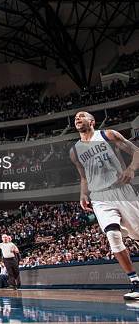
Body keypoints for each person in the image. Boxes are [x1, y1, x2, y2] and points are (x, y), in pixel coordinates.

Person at [70, 111, 139, 301]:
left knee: (137, 235)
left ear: (92, 121)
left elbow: (136, 152)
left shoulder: (108, 135)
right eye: (75, 117)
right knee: (113, 236)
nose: (77, 118)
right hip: (99, 196)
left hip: (122, 191)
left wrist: (131, 168)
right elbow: (83, 177)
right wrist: (83, 193)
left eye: (82, 116)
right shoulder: (74, 151)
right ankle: (135, 282)